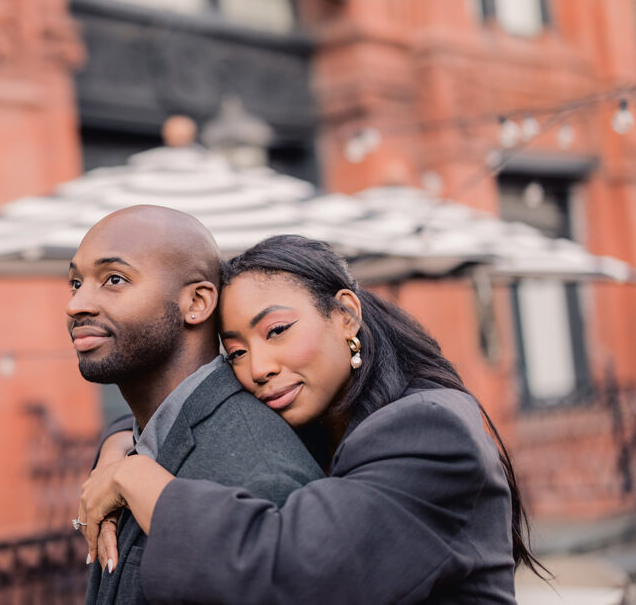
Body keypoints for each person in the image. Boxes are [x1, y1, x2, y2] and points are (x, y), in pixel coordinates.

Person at [77, 234, 544, 604]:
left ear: (345, 314)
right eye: (236, 352)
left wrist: (135, 476)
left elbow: (297, 572)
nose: (258, 368)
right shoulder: (319, 413)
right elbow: (182, 412)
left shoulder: (431, 429)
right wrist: (118, 446)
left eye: (277, 331)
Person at [67, 208, 323, 605]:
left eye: (114, 279)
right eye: (76, 283)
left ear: (197, 302)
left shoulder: (257, 475)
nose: (77, 304)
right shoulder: (137, 442)